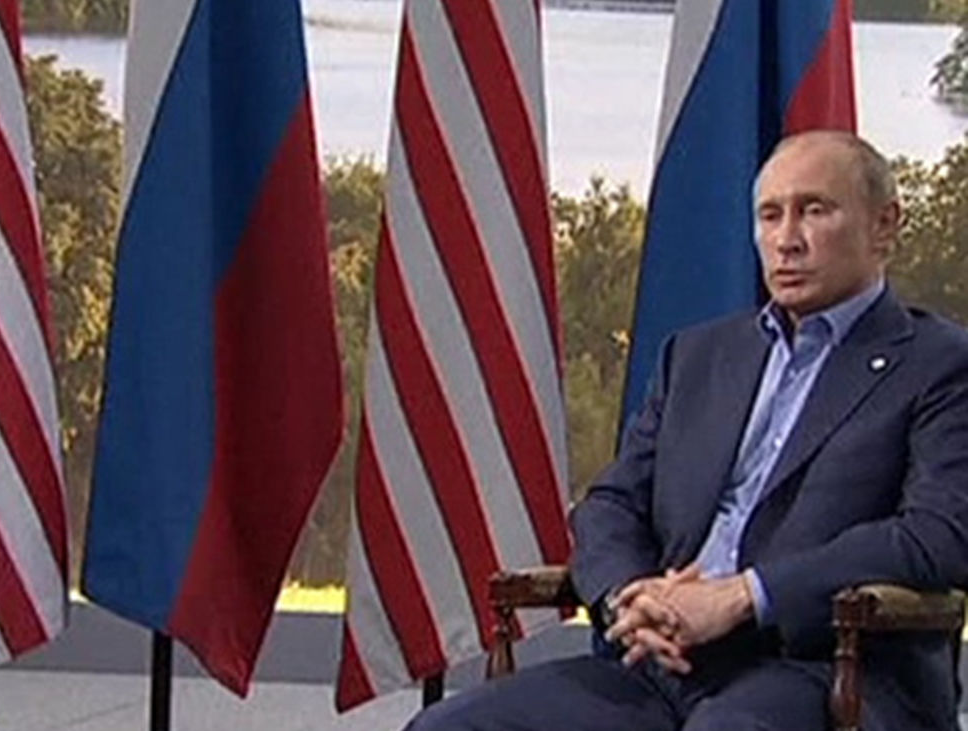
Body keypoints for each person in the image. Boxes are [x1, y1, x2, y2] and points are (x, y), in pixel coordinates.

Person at [408, 130, 968, 731]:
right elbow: (611, 504)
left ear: (885, 225)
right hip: (659, 661)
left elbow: (937, 537)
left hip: (823, 667)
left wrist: (743, 596)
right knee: (449, 727)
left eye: (814, 210)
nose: (787, 239)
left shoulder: (938, 364)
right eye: (770, 215)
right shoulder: (698, 357)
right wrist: (629, 595)